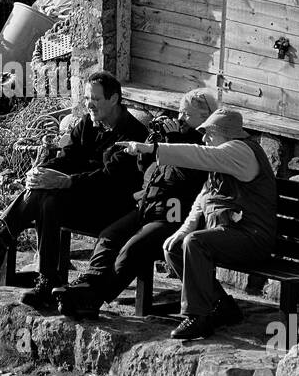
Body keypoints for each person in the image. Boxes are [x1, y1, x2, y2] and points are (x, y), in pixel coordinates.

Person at [0, 70, 147, 309]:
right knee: (43, 195)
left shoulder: (134, 134)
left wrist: (67, 182)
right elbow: (68, 157)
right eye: (87, 98)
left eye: (95, 100)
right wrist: (40, 172)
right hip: (82, 198)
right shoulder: (89, 122)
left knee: (50, 199)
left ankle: (2, 246)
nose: (89, 104)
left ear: (114, 99)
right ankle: (43, 277)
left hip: (112, 209)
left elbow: (110, 180)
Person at [116, 107, 277, 340]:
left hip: (252, 239)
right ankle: (221, 305)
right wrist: (182, 231)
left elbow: (198, 154)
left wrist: (152, 148)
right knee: (175, 246)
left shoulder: (239, 151)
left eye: (209, 133)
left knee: (196, 243)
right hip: (230, 234)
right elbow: (202, 200)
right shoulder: (221, 158)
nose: (204, 139)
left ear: (225, 133)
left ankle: (197, 317)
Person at [57, 89, 216, 319]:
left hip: (174, 215)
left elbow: (189, 178)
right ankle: (88, 284)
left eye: (187, 115)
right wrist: (148, 148)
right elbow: (147, 172)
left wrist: (171, 142)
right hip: (147, 207)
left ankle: (93, 298)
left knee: (132, 249)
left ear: (206, 117)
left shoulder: (206, 145)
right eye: (180, 112)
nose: (180, 119)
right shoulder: (175, 138)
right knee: (109, 235)